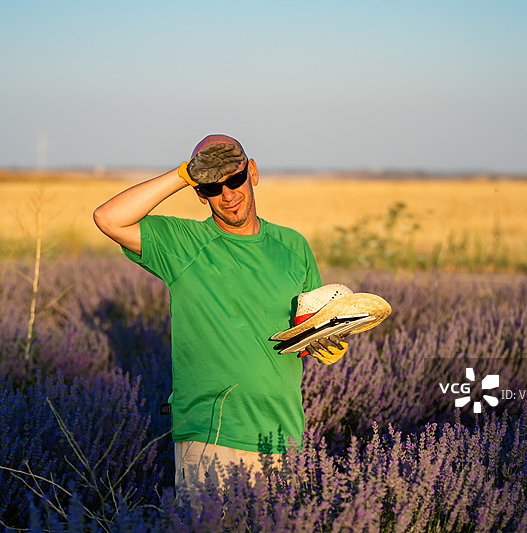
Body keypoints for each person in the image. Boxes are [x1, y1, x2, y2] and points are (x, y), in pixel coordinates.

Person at [93, 134, 348, 490]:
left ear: (252, 172)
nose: (227, 194)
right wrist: (184, 174)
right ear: (199, 193)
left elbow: (305, 330)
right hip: (211, 439)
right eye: (212, 186)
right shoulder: (183, 244)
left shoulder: (293, 247)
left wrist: (325, 343)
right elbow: (108, 218)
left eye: (234, 178)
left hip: (283, 436)